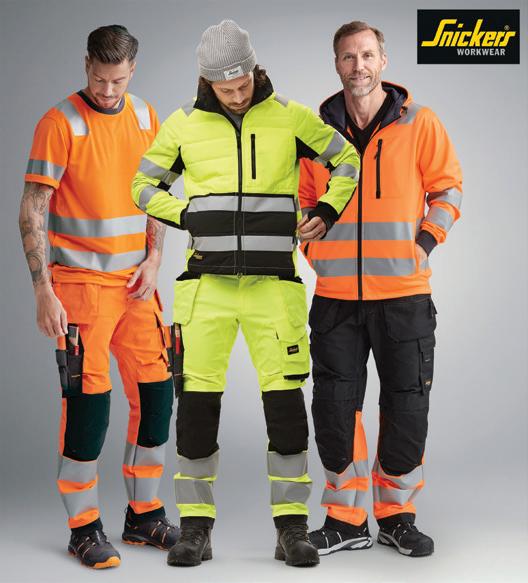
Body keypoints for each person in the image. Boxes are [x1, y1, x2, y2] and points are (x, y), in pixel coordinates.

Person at [132, 19, 360, 568]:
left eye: (243, 84)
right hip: (205, 289)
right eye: (225, 88)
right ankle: (195, 529)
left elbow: (347, 159)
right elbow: (142, 186)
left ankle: (292, 527)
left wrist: (329, 209)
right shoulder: (183, 125)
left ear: (255, 71)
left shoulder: (290, 117)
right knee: (196, 410)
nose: (236, 96)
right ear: (206, 82)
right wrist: (186, 214)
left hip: (273, 289)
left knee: (285, 410)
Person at [298, 21, 463, 558]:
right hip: (336, 298)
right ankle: (345, 519)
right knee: (334, 407)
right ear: (337, 64)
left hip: (403, 294)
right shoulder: (316, 132)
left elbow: (448, 189)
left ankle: (396, 516)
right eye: (348, 57)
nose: (359, 66)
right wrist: (313, 251)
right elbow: (301, 201)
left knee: (406, 405)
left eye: (367, 55)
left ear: (383, 61)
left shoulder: (420, 122)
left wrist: (424, 244)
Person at [19, 25, 179, 569]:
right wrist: (42, 289)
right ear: (86, 64)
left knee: (157, 393)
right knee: (89, 405)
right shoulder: (59, 123)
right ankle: (83, 527)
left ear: (132, 70)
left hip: (137, 285)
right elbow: (32, 208)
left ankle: (144, 515)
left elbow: (155, 195)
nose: (107, 90)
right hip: (81, 287)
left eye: (117, 80)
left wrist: (155, 259)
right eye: (99, 78)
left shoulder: (146, 117)